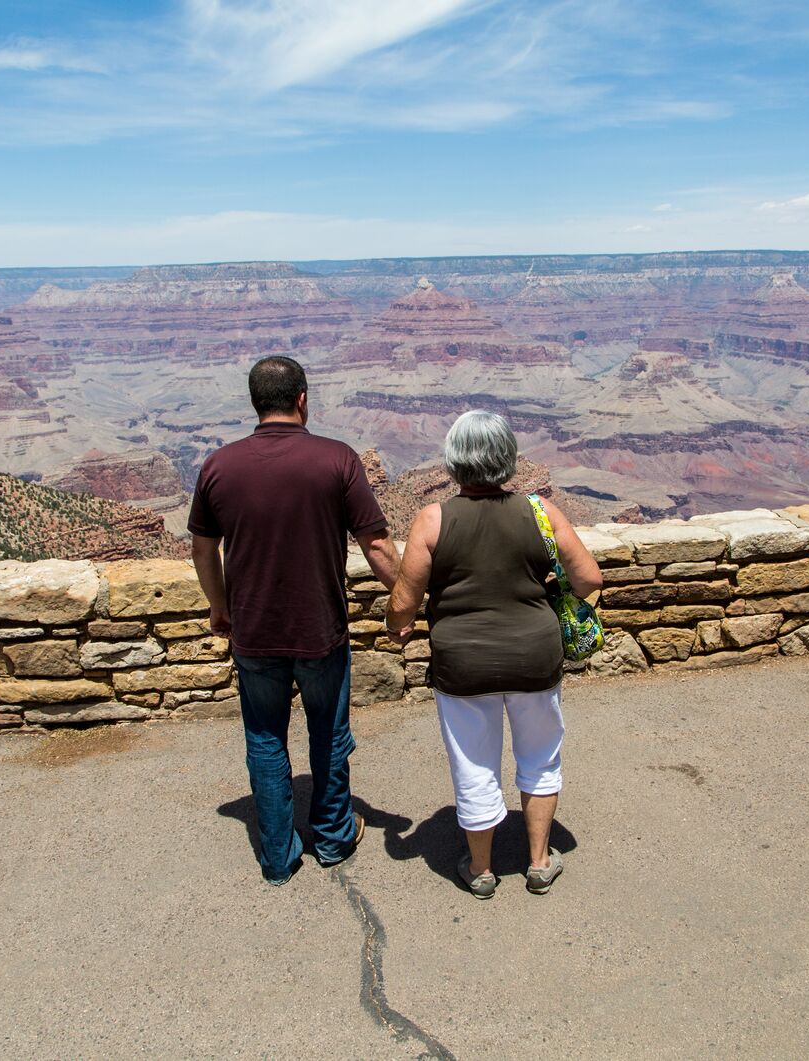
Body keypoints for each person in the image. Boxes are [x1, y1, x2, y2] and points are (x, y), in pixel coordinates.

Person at [189, 356, 401, 886]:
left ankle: (278, 856)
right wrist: (407, 595)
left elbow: (202, 548)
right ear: (302, 398)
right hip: (320, 628)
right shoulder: (336, 459)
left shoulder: (219, 465)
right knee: (328, 731)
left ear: (255, 402)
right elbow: (375, 544)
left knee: (264, 738)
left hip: (253, 630)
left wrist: (219, 605)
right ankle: (331, 838)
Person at [385, 410, 601, 899]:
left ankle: (480, 870)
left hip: (462, 664)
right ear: (506, 459)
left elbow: (404, 601)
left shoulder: (433, 518)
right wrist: (551, 586)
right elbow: (589, 579)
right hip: (534, 657)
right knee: (540, 758)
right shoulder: (541, 511)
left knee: (473, 764)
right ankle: (540, 862)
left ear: (453, 463)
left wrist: (398, 627)